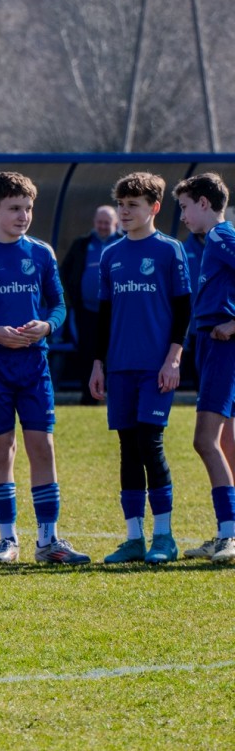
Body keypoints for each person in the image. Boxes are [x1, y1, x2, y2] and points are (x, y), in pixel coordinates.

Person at [0, 172, 89, 565]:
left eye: (28, 208)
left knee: (42, 446)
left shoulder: (41, 253)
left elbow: (59, 305)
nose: (23, 216)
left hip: (33, 363)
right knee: (1, 450)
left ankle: (48, 540)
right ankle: (7, 540)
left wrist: (47, 326)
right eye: (14, 208)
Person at [90, 173, 190, 566]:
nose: (125, 211)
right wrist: (98, 365)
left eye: (133, 205)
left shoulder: (169, 251)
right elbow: (103, 315)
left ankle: (164, 536)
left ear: (155, 207)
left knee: (151, 443)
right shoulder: (110, 254)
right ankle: (134, 538)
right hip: (119, 368)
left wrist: (173, 358)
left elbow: (183, 310)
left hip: (155, 367)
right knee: (128, 448)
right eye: (121, 204)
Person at [173, 172, 235, 563]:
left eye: (184, 207)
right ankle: (230, 531)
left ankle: (228, 534)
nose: (182, 216)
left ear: (203, 202)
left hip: (222, 346)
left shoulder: (220, 236)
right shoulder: (212, 240)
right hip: (213, 343)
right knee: (227, 442)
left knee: (205, 441)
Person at [62, 205, 123, 404]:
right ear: (94, 222)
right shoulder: (82, 243)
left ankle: (116, 396)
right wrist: (73, 297)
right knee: (87, 352)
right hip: (87, 312)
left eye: (107, 223)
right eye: (100, 222)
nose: (103, 226)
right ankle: (89, 397)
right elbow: (65, 272)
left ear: (116, 223)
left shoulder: (125, 242)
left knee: (116, 352)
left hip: (117, 312)